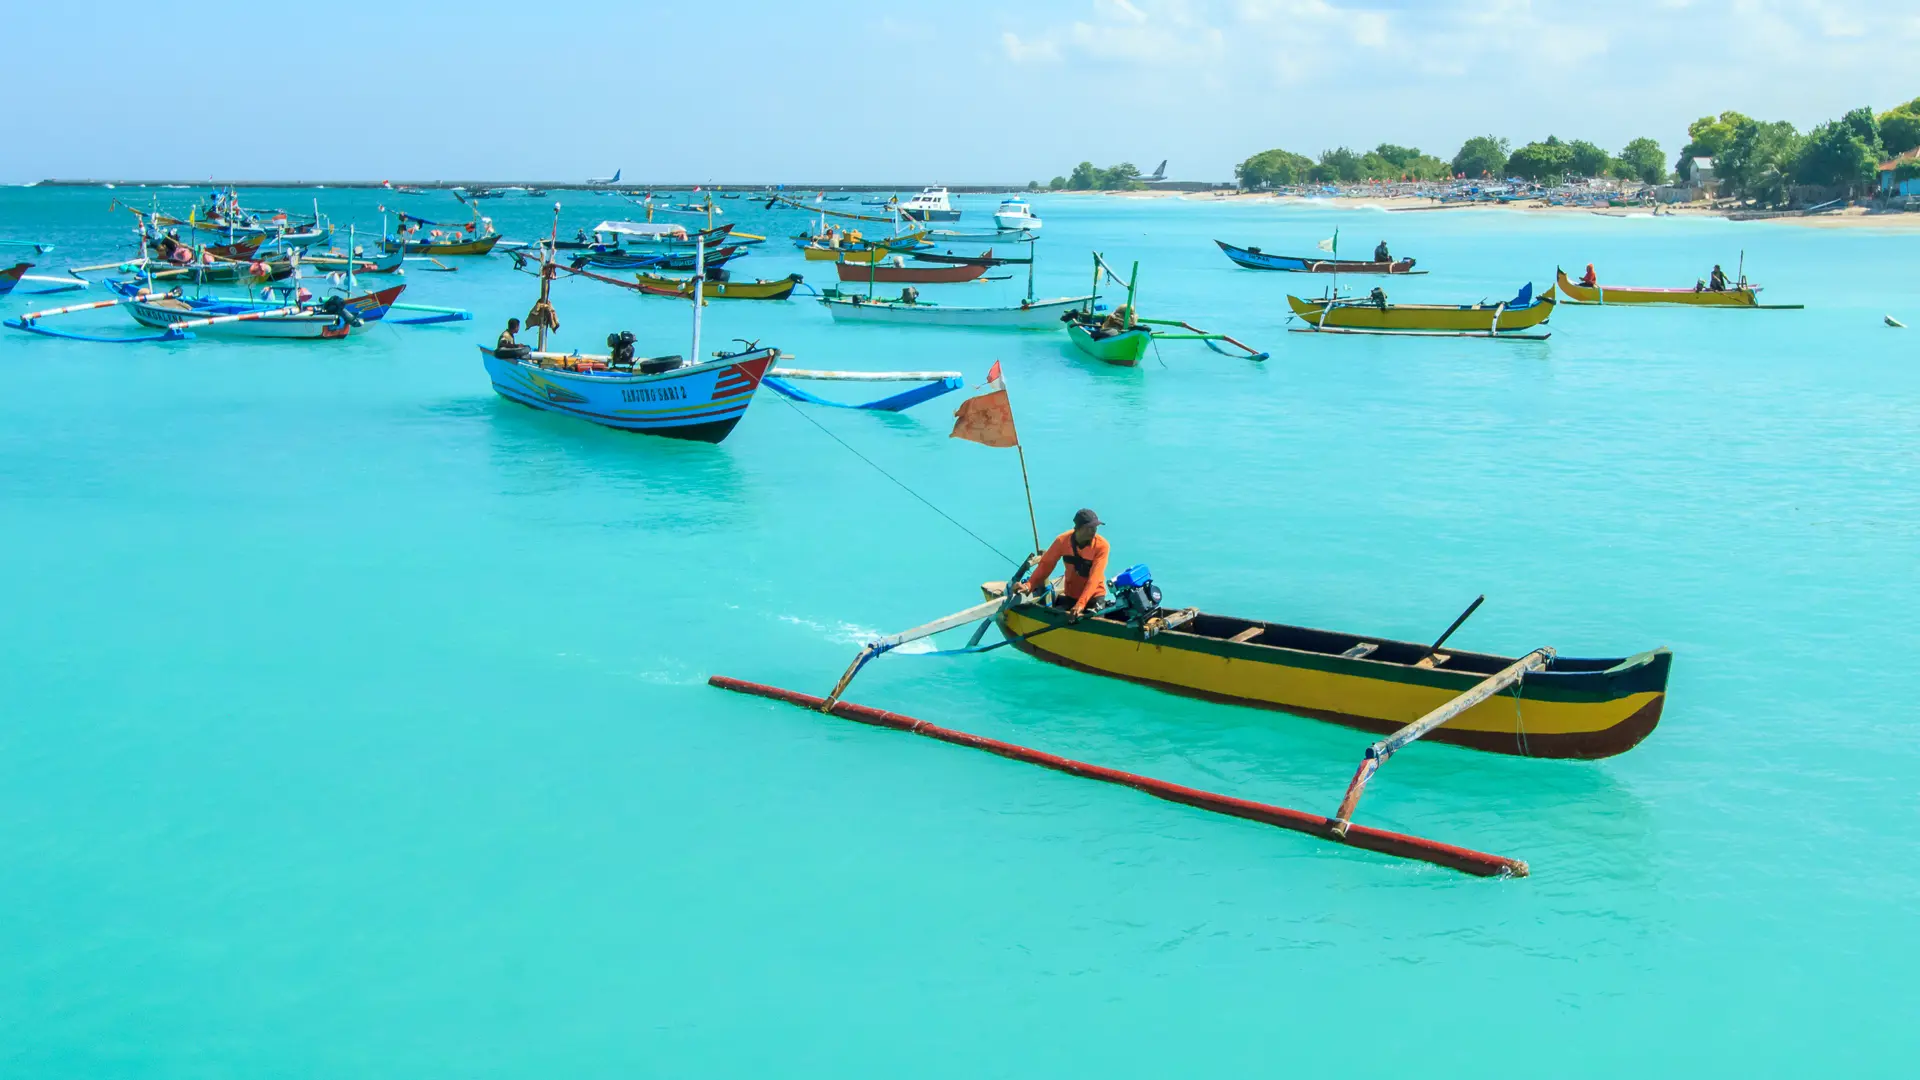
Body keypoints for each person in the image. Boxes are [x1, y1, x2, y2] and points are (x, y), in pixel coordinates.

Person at [1020, 509, 1110, 621]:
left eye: (1095, 527)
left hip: (1095, 597)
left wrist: (1081, 604)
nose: (1094, 531)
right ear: (1079, 528)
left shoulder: (1102, 546)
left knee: (1095, 625)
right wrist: (1029, 585)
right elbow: (1046, 565)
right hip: (1072, 595)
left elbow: (1094, 578)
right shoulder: (1062, 541)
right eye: (1090, 528)